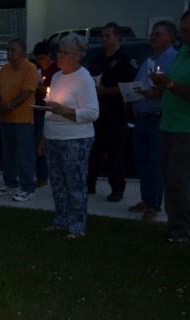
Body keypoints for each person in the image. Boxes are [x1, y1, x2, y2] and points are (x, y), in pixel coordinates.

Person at [39, 34, 99, 238]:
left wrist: (64, 111)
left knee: (75, 184)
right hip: (54, 136)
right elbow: (50, 109)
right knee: (57, 184)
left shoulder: (84, 79)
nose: (59, 55)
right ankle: (61, 221)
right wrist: (44, 138)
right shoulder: (56, 76)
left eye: (65, 52)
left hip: (75, 139)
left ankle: (77, 226)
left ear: (78, 55)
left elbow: (92, 112)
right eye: (59, 51)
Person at [130, 21, 178, 222]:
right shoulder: (148, 60)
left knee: (155, 163)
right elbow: (139, 84)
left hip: (158, 118)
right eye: (152, 34)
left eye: (157, 34)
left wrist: (155, 93)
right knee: (142, 161)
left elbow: (169, 87)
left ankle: (155, 205)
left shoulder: (174, 59)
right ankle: (146, 199)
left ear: (170, 37)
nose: (152, 37)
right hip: (141, 117)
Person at [87, 22, 138, 201]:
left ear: (118, 37)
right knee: (94, 151)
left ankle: (117, 189)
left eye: (108, 35)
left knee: (115, 154)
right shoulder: (97, 59)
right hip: (96, 113)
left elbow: (130, 88)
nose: (103, 39)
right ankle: (89, 185)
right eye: (102, 36)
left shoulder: (125, 60)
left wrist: (106, 90)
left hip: (116, 113)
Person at [151, 11, 190, 244]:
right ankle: (176, 224)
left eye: (188, 31)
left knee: (179, 180)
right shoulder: (183, 52)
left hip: (185, 129)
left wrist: (169, 83)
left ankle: (181, 231)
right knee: (171, 179)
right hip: (168, 124)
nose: (184, 35)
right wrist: (159, 87)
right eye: (183, 30)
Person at [0, 38, 39, 202]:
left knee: (24, 154)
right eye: (8, 50)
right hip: (7, 119)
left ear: (23, 53)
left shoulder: (30, 68)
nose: (9, 53)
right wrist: (1, 104)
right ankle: (10, 183)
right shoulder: (4, 69)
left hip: (23, 119)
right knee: (8, 153)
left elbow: (26, 93)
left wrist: (9, 106)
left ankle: (27, 188)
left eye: (13, 50)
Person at [32, 41, 60, 188]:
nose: (40, 61)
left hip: (48, 114)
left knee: (41, 145)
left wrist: (44, 89)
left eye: (42, 57)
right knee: (35, 144)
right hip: (36, 111)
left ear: (49, 55)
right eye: (37, 58)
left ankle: (43, 176)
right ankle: (38, 174)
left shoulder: (56, 71)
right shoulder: (39, 70)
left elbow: (55, 92)